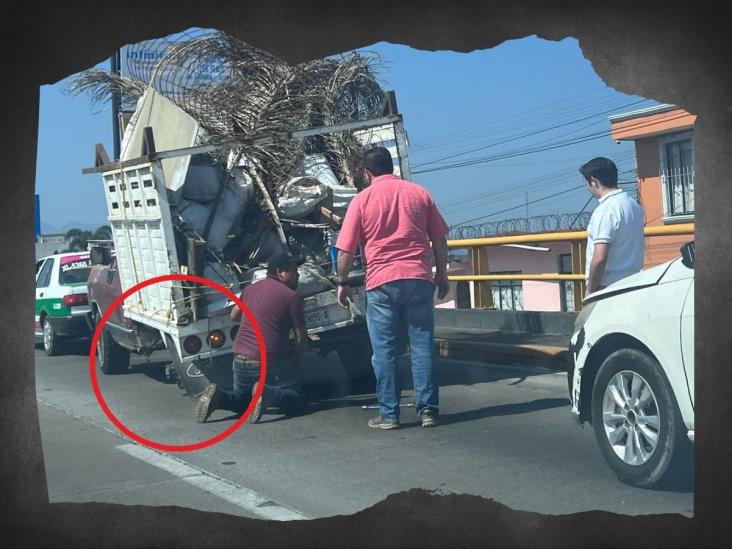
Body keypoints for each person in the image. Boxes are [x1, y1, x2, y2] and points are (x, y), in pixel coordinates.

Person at [335, 146, 449, 430]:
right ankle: (429, 411)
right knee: (422, 346)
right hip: (419, 278)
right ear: (392, 167)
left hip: (382, 283)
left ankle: (389, 415)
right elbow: (440, 239)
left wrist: (342, 282)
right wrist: (443, 274)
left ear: (366, 172)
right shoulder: (420, 193)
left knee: (384, 351)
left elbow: (346, 250)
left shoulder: (362, 200)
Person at [195, 252, 309, 424]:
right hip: (268, 362)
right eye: (294, 271)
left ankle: (220, 397)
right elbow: (301, 338)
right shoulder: (291, 297)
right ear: (280, 272)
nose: (298, 275)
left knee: (244, 401)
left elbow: (234, 316)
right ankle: (268, 394)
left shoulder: (250, 289)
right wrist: (298, 357)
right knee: (297, 399)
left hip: (240, 360)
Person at [579, 157, 645, 296]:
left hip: (608, 287)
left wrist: (590, 290)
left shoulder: (605, 210)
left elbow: (600, 257)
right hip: (634, 282)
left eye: (587, 183)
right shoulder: (634, 206)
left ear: (594, 182)